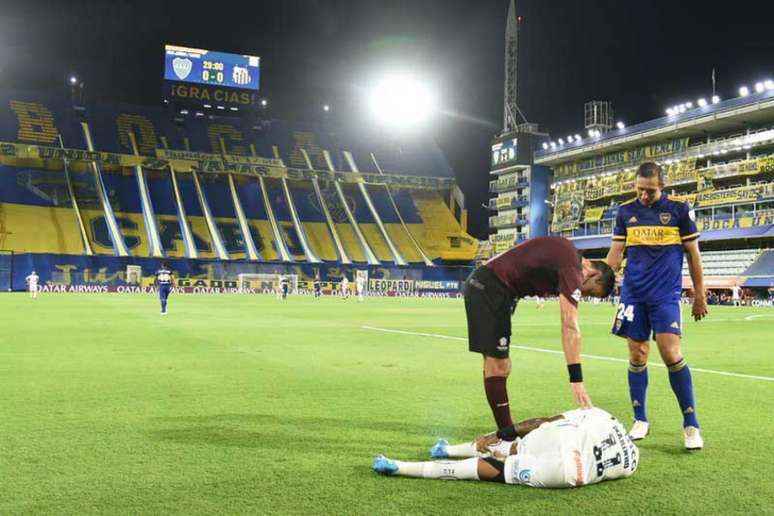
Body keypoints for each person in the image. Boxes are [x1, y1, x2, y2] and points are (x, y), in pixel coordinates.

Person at [464, 236, 616, 432]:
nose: (583, 295)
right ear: (593, 275)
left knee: (502, 365)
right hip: (490, 288)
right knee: (498, 365)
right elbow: (569, 323)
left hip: (494, 289)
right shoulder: (573, 267)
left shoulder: (567, 257)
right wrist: (576, 380)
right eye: (590, 293)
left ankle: (507, 430)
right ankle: (506, 437)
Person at [606, 161, 707, 450]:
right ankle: (640, 419)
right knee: (637, 354)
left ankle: (691, 425)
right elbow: (615, 253)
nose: (644, 196)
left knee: (670, 352)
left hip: (665, 294)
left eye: (649, 191)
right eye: (640, 189)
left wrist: (699, 294)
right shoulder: (626, 212)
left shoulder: (678, 210)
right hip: (633, 294)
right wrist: (601, 279)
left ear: (662, 187)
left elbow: (693, 254)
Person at [373, 407, 638, 489]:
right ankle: (406, 465)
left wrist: (500, 433)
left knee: (494, 459)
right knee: (496, 466)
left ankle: (412, 463)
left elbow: (544, 422)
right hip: (571, 474)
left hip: (561, 456)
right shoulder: (631, 463)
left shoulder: (599, 414)